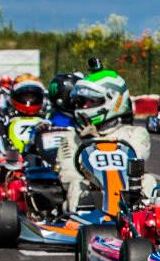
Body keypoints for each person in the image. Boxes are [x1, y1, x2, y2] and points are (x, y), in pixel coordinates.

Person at [56, 70, 152, 212]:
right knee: (76, 185)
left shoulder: (135, 133)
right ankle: (79, 228)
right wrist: (88, 141)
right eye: (83, 102)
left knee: (149, 181)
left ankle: (142, 224)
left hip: (126, 197)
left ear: (112, 99)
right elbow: (68, 176)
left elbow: (131, 167)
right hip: (92, 202)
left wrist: (97, 141)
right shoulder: (72, 137)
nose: (85, 107)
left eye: (92, 101)